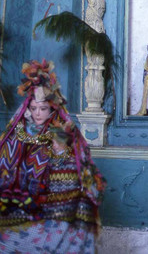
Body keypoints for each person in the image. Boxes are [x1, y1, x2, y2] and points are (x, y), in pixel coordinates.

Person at [0, 59, 106, 253]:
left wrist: (59, 151)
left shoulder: (61, 130)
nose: (38, 114)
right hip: (19, 201)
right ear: (28, 108)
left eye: (43, 109)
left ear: (52, 108)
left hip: (54, 201)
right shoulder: (18, 131)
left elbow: (79, 174)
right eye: (34, 109)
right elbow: (5, 165)